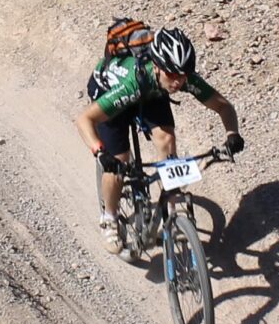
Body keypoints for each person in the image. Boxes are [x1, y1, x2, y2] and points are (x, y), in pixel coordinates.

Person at [75, 24, 243, 253]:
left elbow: (223, 106)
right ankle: (110, 218)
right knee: (119, 163)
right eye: (173, 75)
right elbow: (84, 119)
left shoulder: (180, 77)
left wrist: (232, 135)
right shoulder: (131, 84)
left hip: (153, 91)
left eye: (183, 76)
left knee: (166, 141)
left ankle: (171, 215)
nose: (178, 83)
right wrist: (100, 152)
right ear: (157, 66)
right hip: (111, 91)